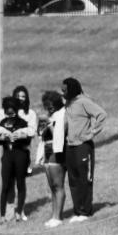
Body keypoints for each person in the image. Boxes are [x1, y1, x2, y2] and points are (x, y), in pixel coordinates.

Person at [61, 77, 107, 222]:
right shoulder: (68, 104)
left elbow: (102, 115)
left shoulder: (83, 102)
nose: (62, 92)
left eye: (64, 90)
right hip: (70, 146)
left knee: (84, 179)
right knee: (73, 180)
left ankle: (85, 212)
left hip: (83, 146)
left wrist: (92, 133)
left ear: (71, 89)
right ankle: (78, 211)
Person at [0, 96, 32, 222]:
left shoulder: (22, 123)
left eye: (12, 112)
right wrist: (2, 138)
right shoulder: (2, 123)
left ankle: (19, 212)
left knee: (20, 183)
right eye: (8, 113)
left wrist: (20, 136)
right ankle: (3, 215)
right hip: (7, 155)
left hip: (20, 154)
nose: (10, 115)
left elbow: (28, 139)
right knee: (5, 184)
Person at [39, 90, 67, 227]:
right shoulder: (50, 116)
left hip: (57, 152)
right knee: (52, 187)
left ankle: (58, 217)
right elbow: (40, 134)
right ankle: (54, 215)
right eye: (46, 104)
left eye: (51, 104)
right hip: (47, 151)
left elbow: (59, 135)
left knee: (58, 185)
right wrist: (42, 125)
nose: (49, 107)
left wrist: (49, 124)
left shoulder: (61, 115)